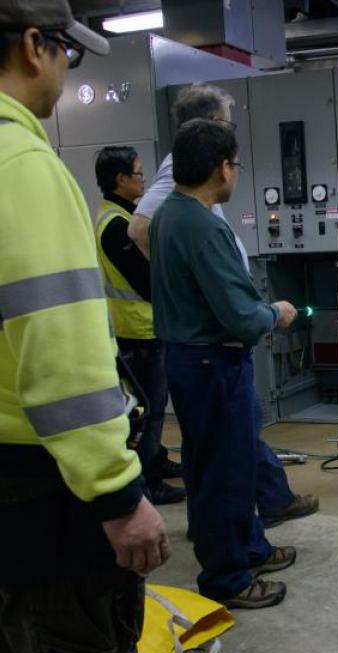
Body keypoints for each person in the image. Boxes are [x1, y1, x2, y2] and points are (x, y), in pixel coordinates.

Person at [0, 3, 171, 653]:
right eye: (66, 50)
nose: (69, 70)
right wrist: (116, 492)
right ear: (34, 47)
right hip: (47, 496)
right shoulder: (23, 167)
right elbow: (61, 353)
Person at [129, 83, 318, 530]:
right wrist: (271, 313)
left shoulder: (182, 206)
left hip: (196, 349)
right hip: (211, 350)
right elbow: (140, 231)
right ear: (218, 151)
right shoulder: (185, 204)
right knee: (227, 455)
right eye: (232, 144)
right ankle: (235, 558)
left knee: (218, 448)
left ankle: (240, 520)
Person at [150, 118, 300, 609]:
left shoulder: (170, 214)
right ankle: (228, 577)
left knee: (216, 463)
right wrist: (275, 314)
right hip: (213, 364)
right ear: (221, 168)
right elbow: (239, 316)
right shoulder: (202, 226)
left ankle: (250, 547)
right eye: (236, 164)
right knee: (225, 472)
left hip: (189, 363)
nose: (236, 174)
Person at [94, 145, 185, 506]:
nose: (144, 180)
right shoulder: (116, 226)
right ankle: (148, 478)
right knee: (151, 406)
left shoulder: (124, 215)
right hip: (138, 331)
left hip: (144, 328)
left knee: (154, 403)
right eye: (138, 174)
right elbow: (145, 280)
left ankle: (157, 460)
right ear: (120, 179)